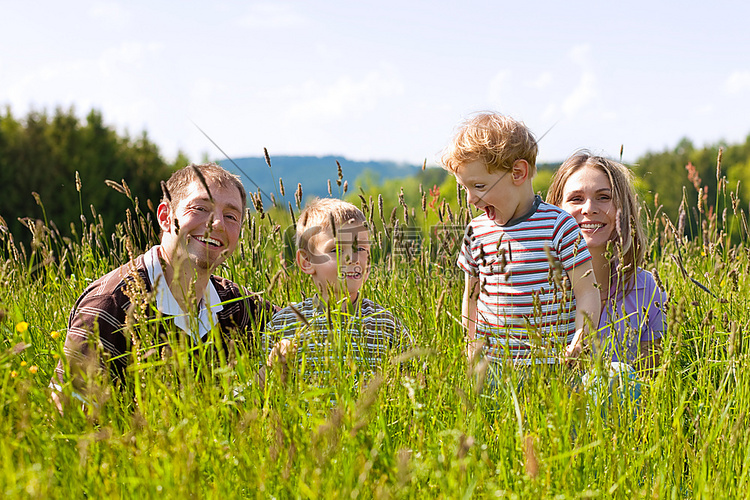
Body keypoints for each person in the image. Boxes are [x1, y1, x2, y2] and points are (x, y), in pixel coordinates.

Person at [51, 162, 275, 408]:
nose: (218, 223)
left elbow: (308, 323)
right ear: (165, 217)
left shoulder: (234, 306)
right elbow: (65, 418)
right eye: (200, 208)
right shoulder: (110, 306)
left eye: (231, 216)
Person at [441, 112, 600, 374]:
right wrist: (471, 348)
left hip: (553, 366)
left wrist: (580, 340)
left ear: (518, 172)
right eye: (464, 188)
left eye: (479, 185)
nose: (471, 199)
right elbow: (471, 297)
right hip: (494, 369)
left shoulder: (559, 226)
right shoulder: (476, 232)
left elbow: (587, 291)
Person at [264, 198, 410, 388]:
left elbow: (415, 382)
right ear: (307, 262)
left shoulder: (386, 325)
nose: (351, 258)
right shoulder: (284, 324)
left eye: (360, 248)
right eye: (337, 249)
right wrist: (273, 367)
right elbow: (259, 393)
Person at [546, 151, 666, 371]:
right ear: (554, 210)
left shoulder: (648, 290)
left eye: (603, 197)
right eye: (576, 199)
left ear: (623, 209)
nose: (589, 208)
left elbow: (652, 380)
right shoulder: (538, 289)